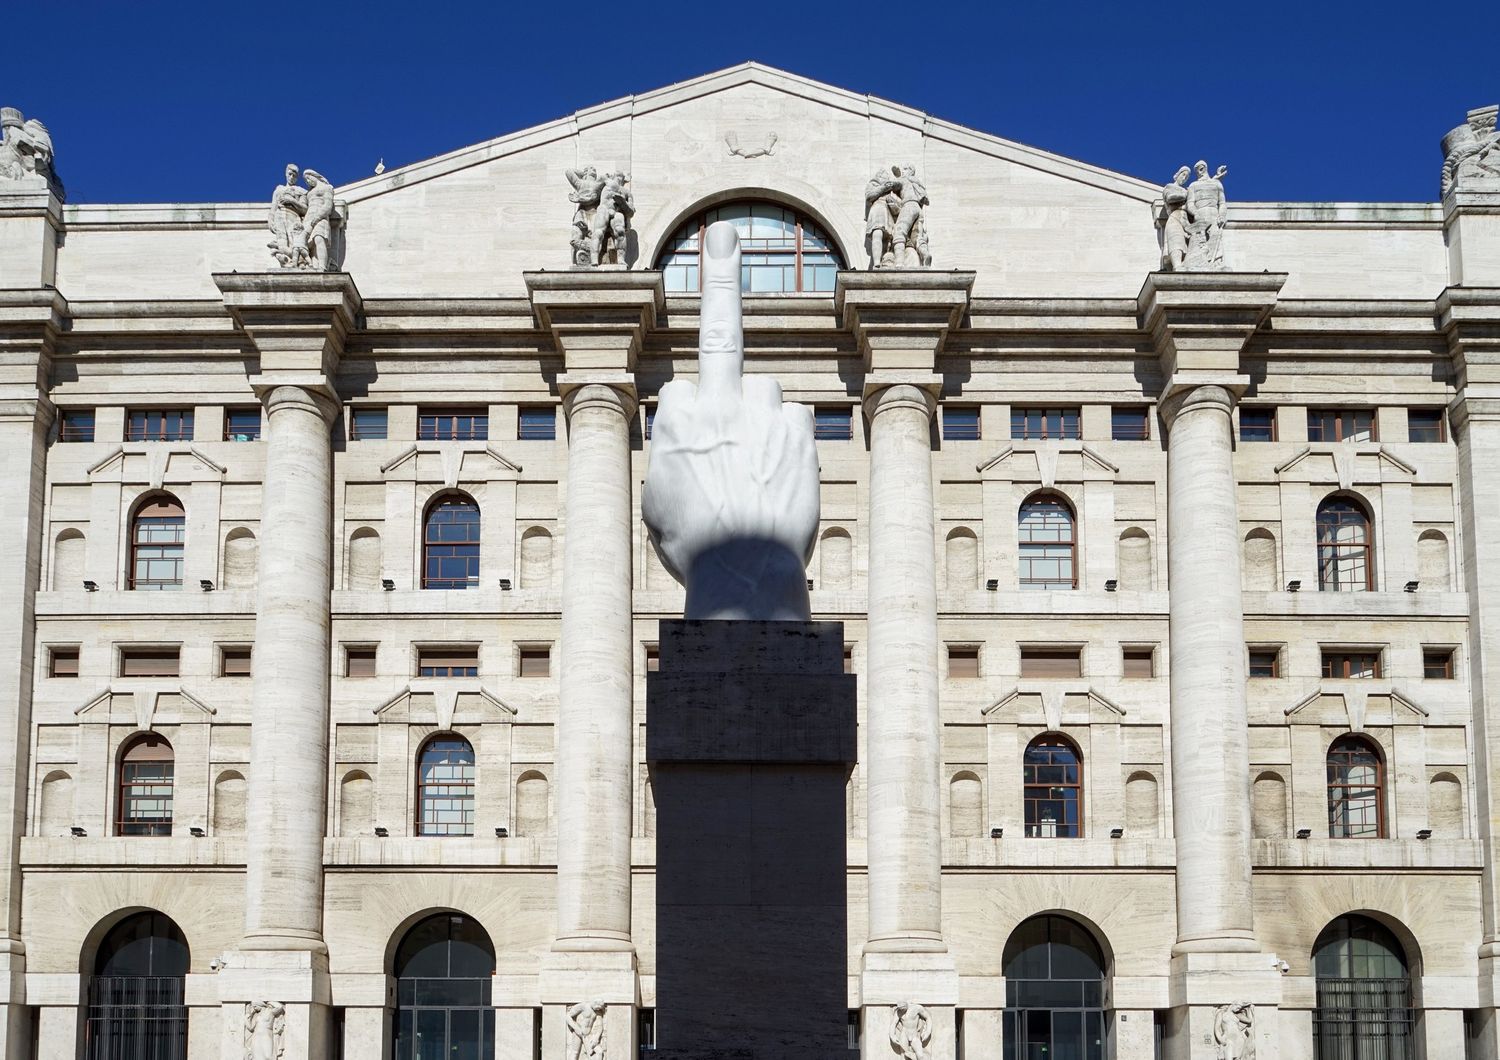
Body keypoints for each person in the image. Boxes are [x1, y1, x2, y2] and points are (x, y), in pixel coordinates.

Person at [1185, 160, 1229, 270]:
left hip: (1213, 212)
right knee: (1201, 240)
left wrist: (1222, 215)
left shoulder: (1216, 184)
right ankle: (1203, 262)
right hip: (1200, 213)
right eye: (1197, 169)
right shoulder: (1193, 185)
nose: (1199, 171)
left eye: (1201, 167)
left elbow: (1222, 203)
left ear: (1205, 167)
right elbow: (1190, 203)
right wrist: (1195, 213)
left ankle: (1217, 263)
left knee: (1214, 236)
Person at [267, 164, 308, 267]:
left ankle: (299, 261)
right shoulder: (279, 189)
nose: (291, 177)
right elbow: (273, 207)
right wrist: (270, 220)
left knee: (294, 243)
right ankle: (289, 261)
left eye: (294, 175)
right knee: (282, 242)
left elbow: (305, 209)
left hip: (293, 217)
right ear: (286, 174)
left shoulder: (301, 191)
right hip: (279, 215)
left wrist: (292, 201)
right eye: (290, 174)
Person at [891, 164, 931, 267]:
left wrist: (896, 176)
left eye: (905, 169)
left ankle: (899, 263)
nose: (903, 171)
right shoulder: (916, 183)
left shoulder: (904, 180)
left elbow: (892, 185)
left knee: (899, 232)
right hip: (918, 209)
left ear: (910, 171)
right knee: (917, 237)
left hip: (909, 206)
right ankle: (925, 254)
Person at [301, 169, 337, 271]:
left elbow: (328, 205)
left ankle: (322, 266)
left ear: (314, 176)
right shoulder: (308, 193)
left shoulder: (326, 188)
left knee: (319, 238)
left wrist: (318, 217)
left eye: (308, 178)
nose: (307, 181)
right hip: (308, 219)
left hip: (320, 217)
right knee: (310, 244)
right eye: (305, 180)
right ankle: (314, 266)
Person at [865, 168, 900, 267]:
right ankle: (876, 263)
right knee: (877, 233)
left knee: (889, 240)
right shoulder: (874, 184)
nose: (886, 176)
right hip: (878, 208)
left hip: (889, 211)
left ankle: (886, 262)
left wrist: (894, 203)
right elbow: (869, 195)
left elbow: (899, 204)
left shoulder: (892, 190)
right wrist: (884, 188)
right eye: (883, 175)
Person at [1159, 165, 1191, 271]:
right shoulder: (1170, 187)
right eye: (1183, 175)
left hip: (1185, 220)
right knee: (1176, 241)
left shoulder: (1186, 190)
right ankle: (1177, 266)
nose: (1184, 178)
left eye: (1186, 177)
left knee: (1185, 244)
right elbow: (1170, 198)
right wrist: (1186, 195)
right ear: (1178, 174)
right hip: (1175, 217)